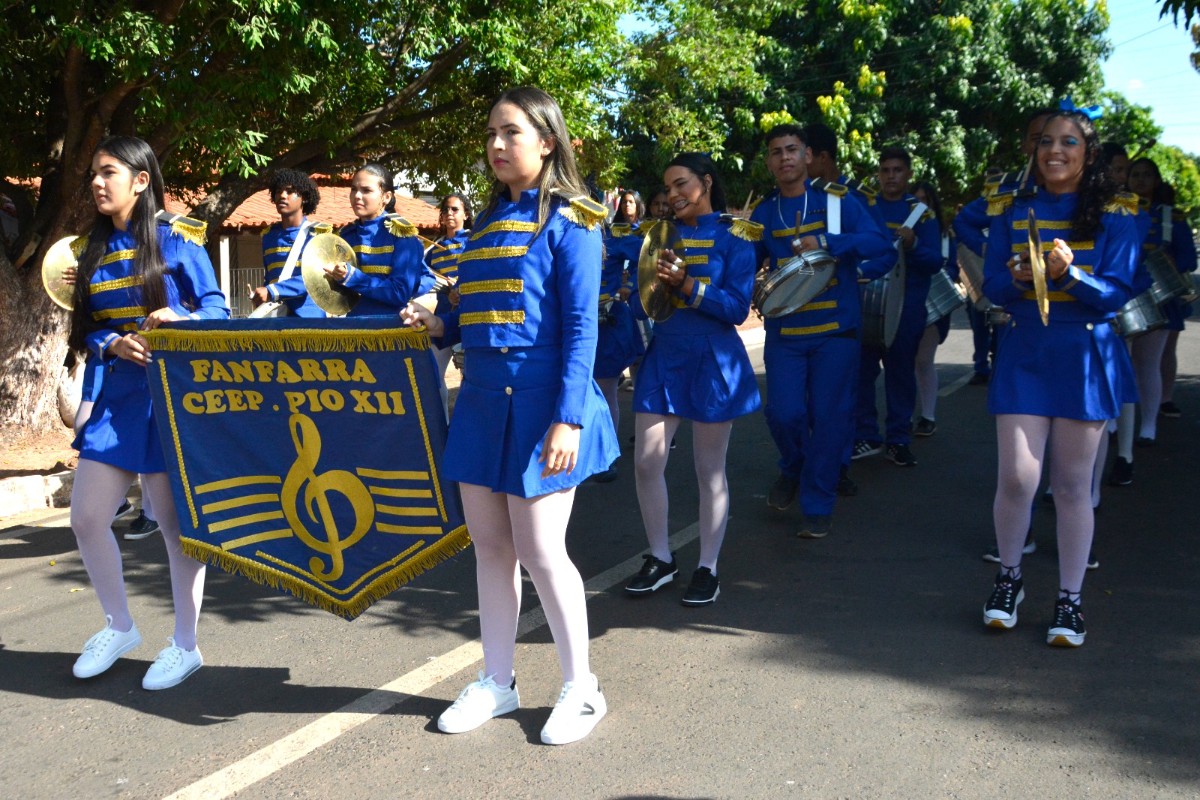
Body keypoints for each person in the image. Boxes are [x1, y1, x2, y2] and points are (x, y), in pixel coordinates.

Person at [401, 86, 619, 745]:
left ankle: (583, 688)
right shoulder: (488, 226)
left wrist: (569, 419)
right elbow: (473, 316)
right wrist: (437, 322)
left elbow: (582, 329)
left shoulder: (574, 219)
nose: (496, 144)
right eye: (491, 133)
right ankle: (497, 681)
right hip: (481, 401)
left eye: (511, 133)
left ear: (548, 140)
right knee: (490, 549)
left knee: (542, 550)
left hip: (545, 403)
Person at [67, 135, 229, 688]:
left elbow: (217, 309)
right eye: (93, 172)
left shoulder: (177, 241)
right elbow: (86, 327)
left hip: (171, 401)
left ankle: (185, 643)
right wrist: (110, 342)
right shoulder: (89, 251)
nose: (96, 182)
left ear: (141, 180)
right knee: (87, 518)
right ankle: (120, 626)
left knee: (175, 528)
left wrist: (181, 319)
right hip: (116, 401)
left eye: (107, 171)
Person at [980, 106, 1140, 647]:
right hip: (1026, 347)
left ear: (1087, 154)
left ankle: (1069, 600)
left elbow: (1118, 293)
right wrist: (1018, 277)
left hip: (1085, 355)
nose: (1055, 151)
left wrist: (1067, 275)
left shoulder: (1117, 214)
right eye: (1047, 141)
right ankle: (1009, 579)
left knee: (1072, 487)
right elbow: (991, 291)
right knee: (1019, 478)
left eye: (1068, 143)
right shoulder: (1011, 209)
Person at [623, 152, 762, 603]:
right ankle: (661, 557)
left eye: (682, 184)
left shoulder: (736, 238)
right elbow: (642, 304)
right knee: (646, 460)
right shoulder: (659, 237)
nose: (674, 194)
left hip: (712, 359)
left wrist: (688, 286)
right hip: (665, 356)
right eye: (668, 187)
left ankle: (708, 566)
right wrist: (638, 289)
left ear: (705, 182)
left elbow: (737, 309)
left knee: (709, 470)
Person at [750, 125, 894, 538]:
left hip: (835, 332)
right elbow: (745, 263)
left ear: (809, 155)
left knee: (830, 419)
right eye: (776, 152)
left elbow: (880, 245)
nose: (784, 158)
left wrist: (831, 243)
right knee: (784, 412)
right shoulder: (763, 212)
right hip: (786, 334)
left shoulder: (837, 202)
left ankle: (817, 503)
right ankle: (794, 466)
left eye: (792, 149)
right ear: (769, 162)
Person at [853, 146, 942, 467]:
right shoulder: (865, 206)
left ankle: (898, 439)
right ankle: (866, 436)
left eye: (897, 170)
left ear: (908, 174)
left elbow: (936, 261)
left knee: (900, 375)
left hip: (906, 309)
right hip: (865, 305)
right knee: (862, 373)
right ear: (879, 173)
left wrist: (914, 244)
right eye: (885, 170)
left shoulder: (921, 213)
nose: (891, 176)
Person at [953, 108, 1055, 386]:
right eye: (1038, 139)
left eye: (1057, 139)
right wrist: (987, 249)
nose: (1047, 148)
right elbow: (963, 221)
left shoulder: (1090, 196)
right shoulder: (1006, 191)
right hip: (1017, 314)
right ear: (1024, 145)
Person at [1120, 158, 1196, 457]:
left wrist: (1171, 263)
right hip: (1123, 295)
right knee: (1119, 363)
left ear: (1156, 180)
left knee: (1148, 364)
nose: (1140, 180)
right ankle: (1114, 423)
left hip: (1160, 298)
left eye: (1146, 175)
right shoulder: (1116, 210)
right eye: (1134, 175)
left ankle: (1148, 426)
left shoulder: (1170, 217)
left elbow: (1188, 258)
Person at [593, 190, 648, 476]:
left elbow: (646, 254)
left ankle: (606, 455)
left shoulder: (612, 239)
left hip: (607, 323)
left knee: (605, 391)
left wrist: (632, 286)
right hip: (572, 326)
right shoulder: (563, 238)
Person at [325, 164, 425, 315]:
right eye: (354, 189)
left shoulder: (401, 235)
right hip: (351, 328)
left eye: (366, 190)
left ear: (386, 197)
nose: (357, 196)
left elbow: (400, 292)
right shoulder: (345, 235)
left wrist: (352, 277)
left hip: (389, 329)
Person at [910, 180, 957, 437]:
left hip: (934, 304)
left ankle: (927, 415)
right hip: (905, 301)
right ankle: (904, 415)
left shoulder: (943, 234)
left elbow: (952, 268)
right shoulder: (899, 231)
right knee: (904, 361)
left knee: (923, 360)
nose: (919, 206)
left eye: (924, 200)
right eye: (914, 200)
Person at [249, 169, 328, 317]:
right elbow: (271, 278)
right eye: (278, 191)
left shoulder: (317, 234)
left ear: (303, 197)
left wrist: (272, 291)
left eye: (290, 191)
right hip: (276, 316)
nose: (282, 196)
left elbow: (315, 278)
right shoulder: (268, 236)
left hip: (308, 316)